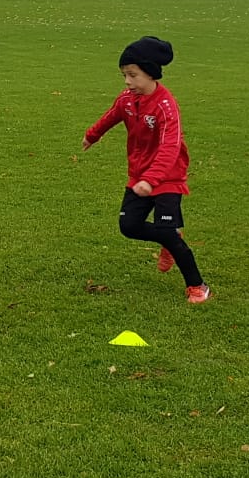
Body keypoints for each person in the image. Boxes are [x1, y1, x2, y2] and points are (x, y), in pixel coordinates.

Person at [82, 36, 209, 303]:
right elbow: (112, 115)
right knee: (128, 226)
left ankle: (197, 286)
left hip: (168, 177)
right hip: (139, 175)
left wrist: (152, 180)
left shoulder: (166, 106)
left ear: (150, 73)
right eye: (124, 75)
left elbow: (170, 146)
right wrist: (92, 135)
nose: (127, 82)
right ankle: (168, 237)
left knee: (168, 234)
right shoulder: (128, 99)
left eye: (133, 75)